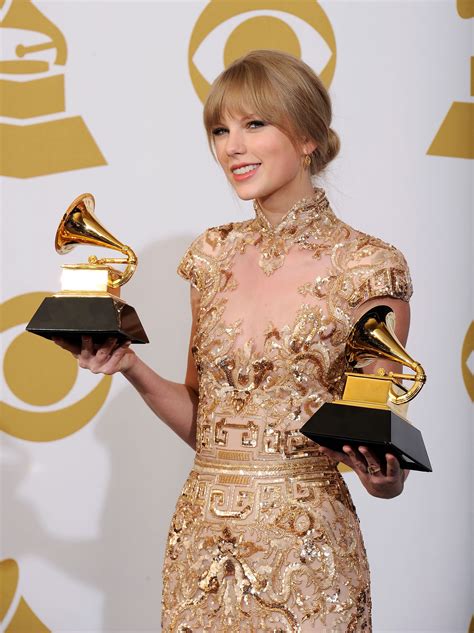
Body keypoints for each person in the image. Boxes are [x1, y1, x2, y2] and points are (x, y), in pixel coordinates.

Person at [55, 50, 412, 631]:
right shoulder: (211, 256)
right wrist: (130, 367)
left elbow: (376, 439)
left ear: (308, 138)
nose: (232, 147)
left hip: (308, 552)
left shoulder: (368, 268)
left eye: (254, 125)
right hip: (201, 545)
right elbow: (205, 424)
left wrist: (385, 477)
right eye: (220, 130)